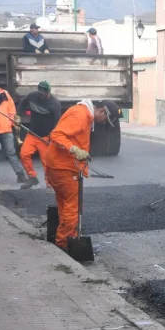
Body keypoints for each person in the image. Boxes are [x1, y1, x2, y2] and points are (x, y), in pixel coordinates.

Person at [43, 99, 119, 252]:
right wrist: (74, 150)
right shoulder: (80, 116)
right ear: (102, 111)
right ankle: (64, 245)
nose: (104, 123)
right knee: (73, 208)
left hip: (59, 166)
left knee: (65, 205)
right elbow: (56, 134)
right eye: (105, 119)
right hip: (64, 167)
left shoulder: (83, 114)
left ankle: (69, 239)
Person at [17, 80, 62, 188]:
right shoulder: (32, 96)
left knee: (47, 163)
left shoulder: (54, 103)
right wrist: (18, 116)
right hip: (32, 134)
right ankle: (32, 177)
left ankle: (49, 183)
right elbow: (23, 102)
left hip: (45, 137)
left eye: (44, 92)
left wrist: (53, 136)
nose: (41, 94)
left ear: (48, 92)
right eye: (40, 91)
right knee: (24, 155)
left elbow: (57, 122)